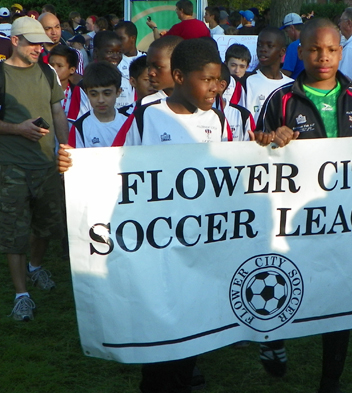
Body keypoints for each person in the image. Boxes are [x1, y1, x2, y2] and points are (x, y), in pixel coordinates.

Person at [60, 38, 230, 393]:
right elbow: (110, 163)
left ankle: (185, 374)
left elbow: (229, 172)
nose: (216, 87)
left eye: (218, 80)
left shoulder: (216, 118)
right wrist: (74, 165)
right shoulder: (147, 116)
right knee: (159, 324)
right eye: (208, 79)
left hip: (200, 241)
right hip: (157, 243)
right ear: (180, 77)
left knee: (191, 318)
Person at [254, 18, 352, 393]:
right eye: (314, 49)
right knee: (286, 283)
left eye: (331, 49)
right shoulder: (282, 99)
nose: (323, 57)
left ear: (341, 52)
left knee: (339, 296)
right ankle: (273, 339)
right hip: (292, 218)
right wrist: (272, 139)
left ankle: (330, 379)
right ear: (301, 52)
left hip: (343, 218)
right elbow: (256, 148)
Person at [0, 16, 69, 321]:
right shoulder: (0, 74)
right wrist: (18, 129)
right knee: (14, 233)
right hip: (10, 167)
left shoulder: (47, 71)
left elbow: (57, 111)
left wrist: (65, 147)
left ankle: (36, 267)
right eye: (32, 43)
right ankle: (21, 294)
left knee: (45, 225)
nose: (39, 49)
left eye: (42, 43)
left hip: (46, 166)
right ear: (15, 41)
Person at [67, 30, 136, 122]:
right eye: (110, 52)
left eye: (119, 52)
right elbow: (75, 122)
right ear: (96, 52)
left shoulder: (128, 83)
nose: (116, 56)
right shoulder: (83, 86)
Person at [68, 61, 130, 148]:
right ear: (86, 93)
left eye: (107, 93)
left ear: (118, 92)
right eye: (94, 94)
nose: (100, 100)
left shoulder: (130, 123)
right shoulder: (80, 127)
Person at [241, 27, 293, 124]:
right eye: (259, 45)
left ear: (282, 51)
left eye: (269, 46)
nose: (263, 50)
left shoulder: (291, 85)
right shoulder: (247, 82)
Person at [216, 62, 255, 141]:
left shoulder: (243, 115)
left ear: (222, 85)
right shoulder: (191, 113)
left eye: (208, 80)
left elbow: (251, 148)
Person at [48, 45, 78, 118]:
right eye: (51, 65)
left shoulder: (77, 93)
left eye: (59, 66)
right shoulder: (41, 90)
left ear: (72, 70)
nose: (53, 69)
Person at [280, 12, 305, 79]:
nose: (287, 35)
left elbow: (286, 73)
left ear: (292, 28)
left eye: (287, 31)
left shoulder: (293, 46)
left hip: (296, 86)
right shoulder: (311, 41)